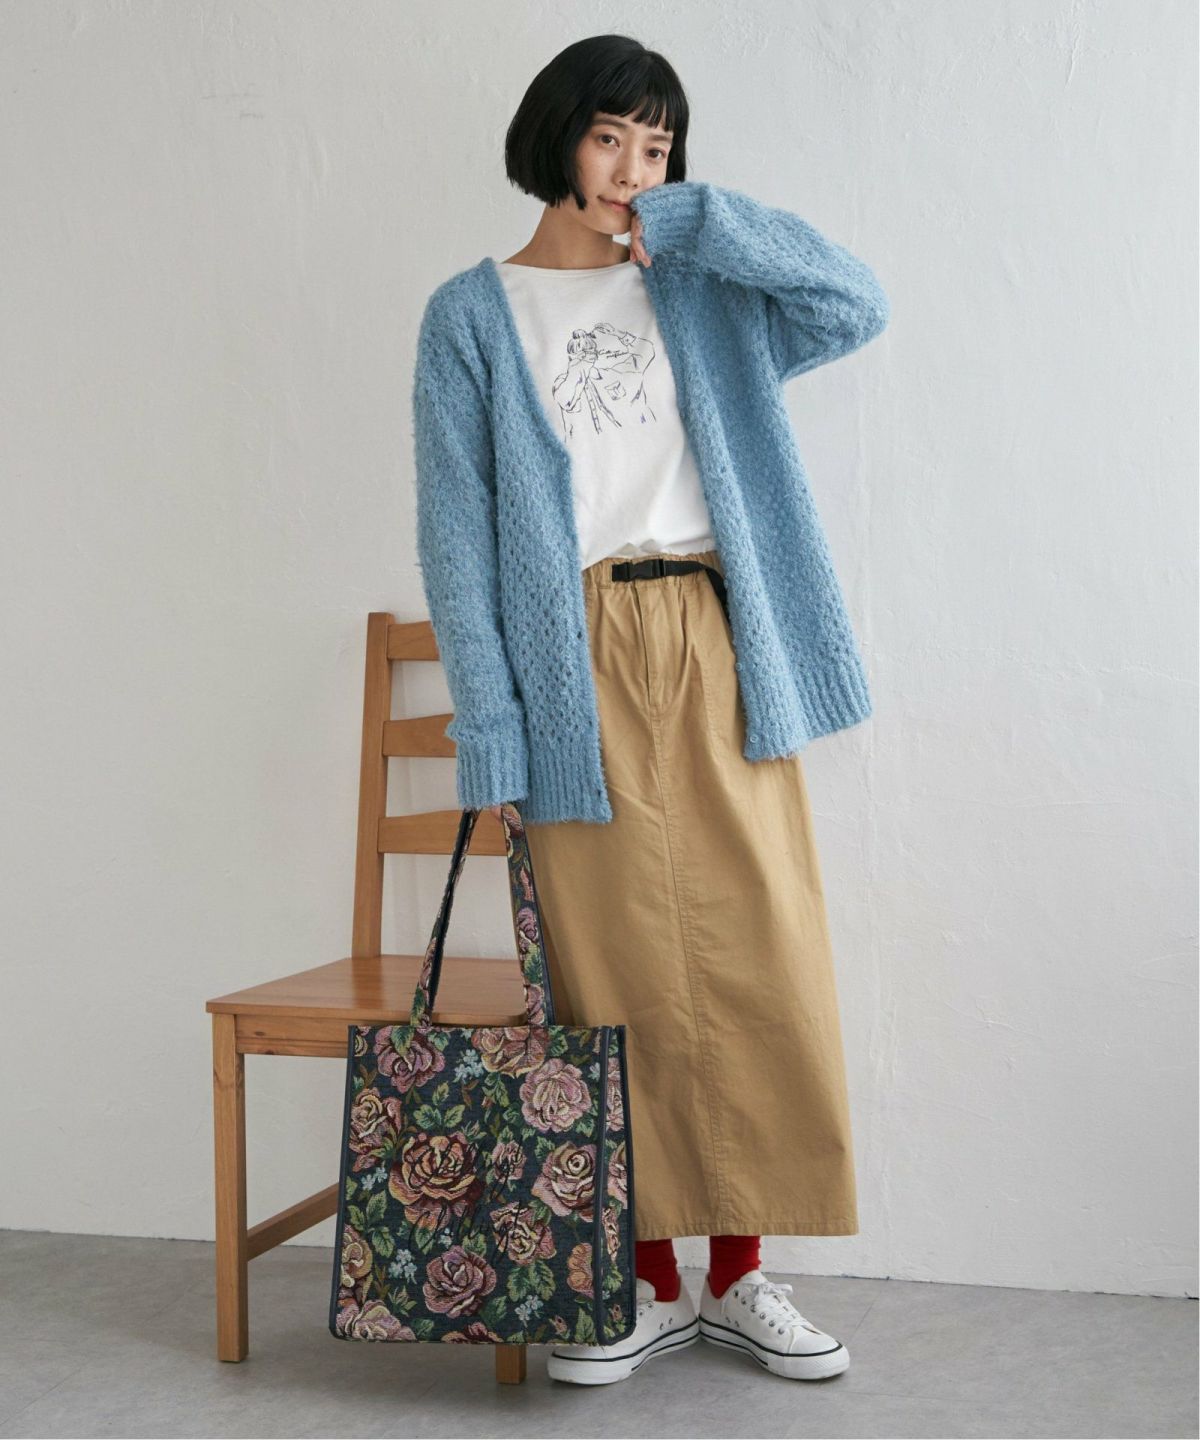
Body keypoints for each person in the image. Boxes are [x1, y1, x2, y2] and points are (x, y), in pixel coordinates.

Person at [412, 33, 889, 1386]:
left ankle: (740, 1277)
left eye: (658, 145)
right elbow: (456, 539)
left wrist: (698, 222)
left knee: (758, 950)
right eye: (610, 137)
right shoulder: (471, 315)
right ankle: (645, 1282)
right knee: (608, 973)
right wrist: (492, 726)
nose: (632, 167)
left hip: (717, 636)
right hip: (572, 654)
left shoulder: (700, 283)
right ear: (556, 136)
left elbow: (853, 302)